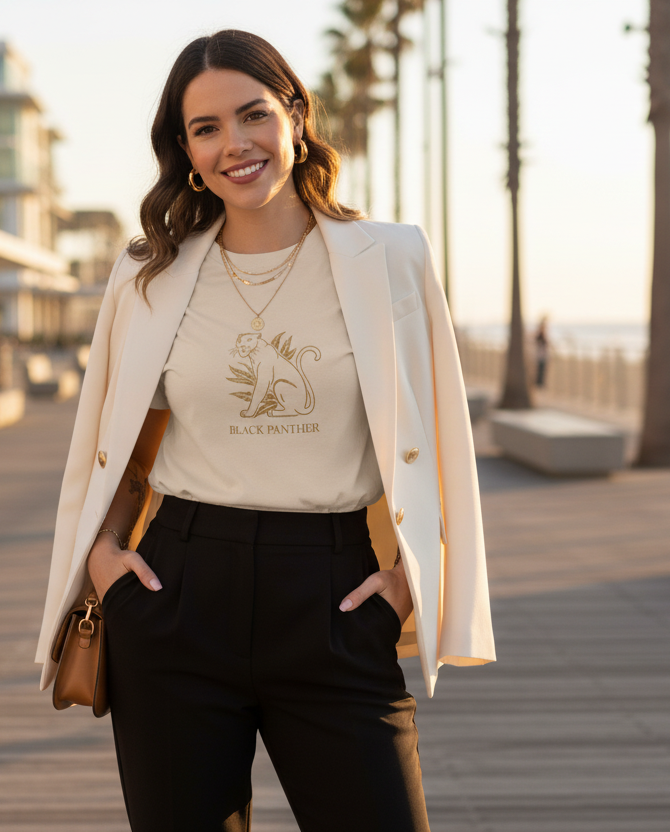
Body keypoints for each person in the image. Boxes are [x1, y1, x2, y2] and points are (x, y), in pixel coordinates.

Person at [34, 30, 495, 832]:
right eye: (206, 128)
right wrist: (107, 561)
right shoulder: (150, 271)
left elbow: (443, 436)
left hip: (336, 595)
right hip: (176, 594)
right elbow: (126, 447)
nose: (234, 145)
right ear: (184, 149)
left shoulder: (391, 257)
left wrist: (405, 584)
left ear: (295, 116)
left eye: (252, 115)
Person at [535, 316, 550, 388]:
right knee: (540, 370)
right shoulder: (540, 335)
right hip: (540, 355)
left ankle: (540, 384)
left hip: (542, 355)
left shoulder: (542, 335)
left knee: (542, 371)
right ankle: (539, 385)